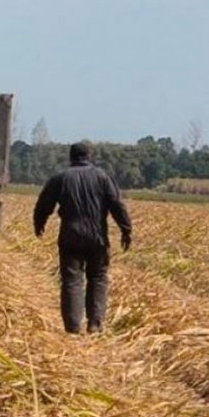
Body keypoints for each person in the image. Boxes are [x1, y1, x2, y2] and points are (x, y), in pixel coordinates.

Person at [33, 142, 132, 334]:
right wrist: (126, 230)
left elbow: (43, 204)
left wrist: (39, 223)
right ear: (89, 157)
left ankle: (73, 326)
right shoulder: (102, 177)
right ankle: (95, 324)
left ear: (71, 157)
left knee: (72, 280)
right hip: (97, 238)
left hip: (70, 236)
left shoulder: (60, 178)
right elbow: (116, 205)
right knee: (98, 277)